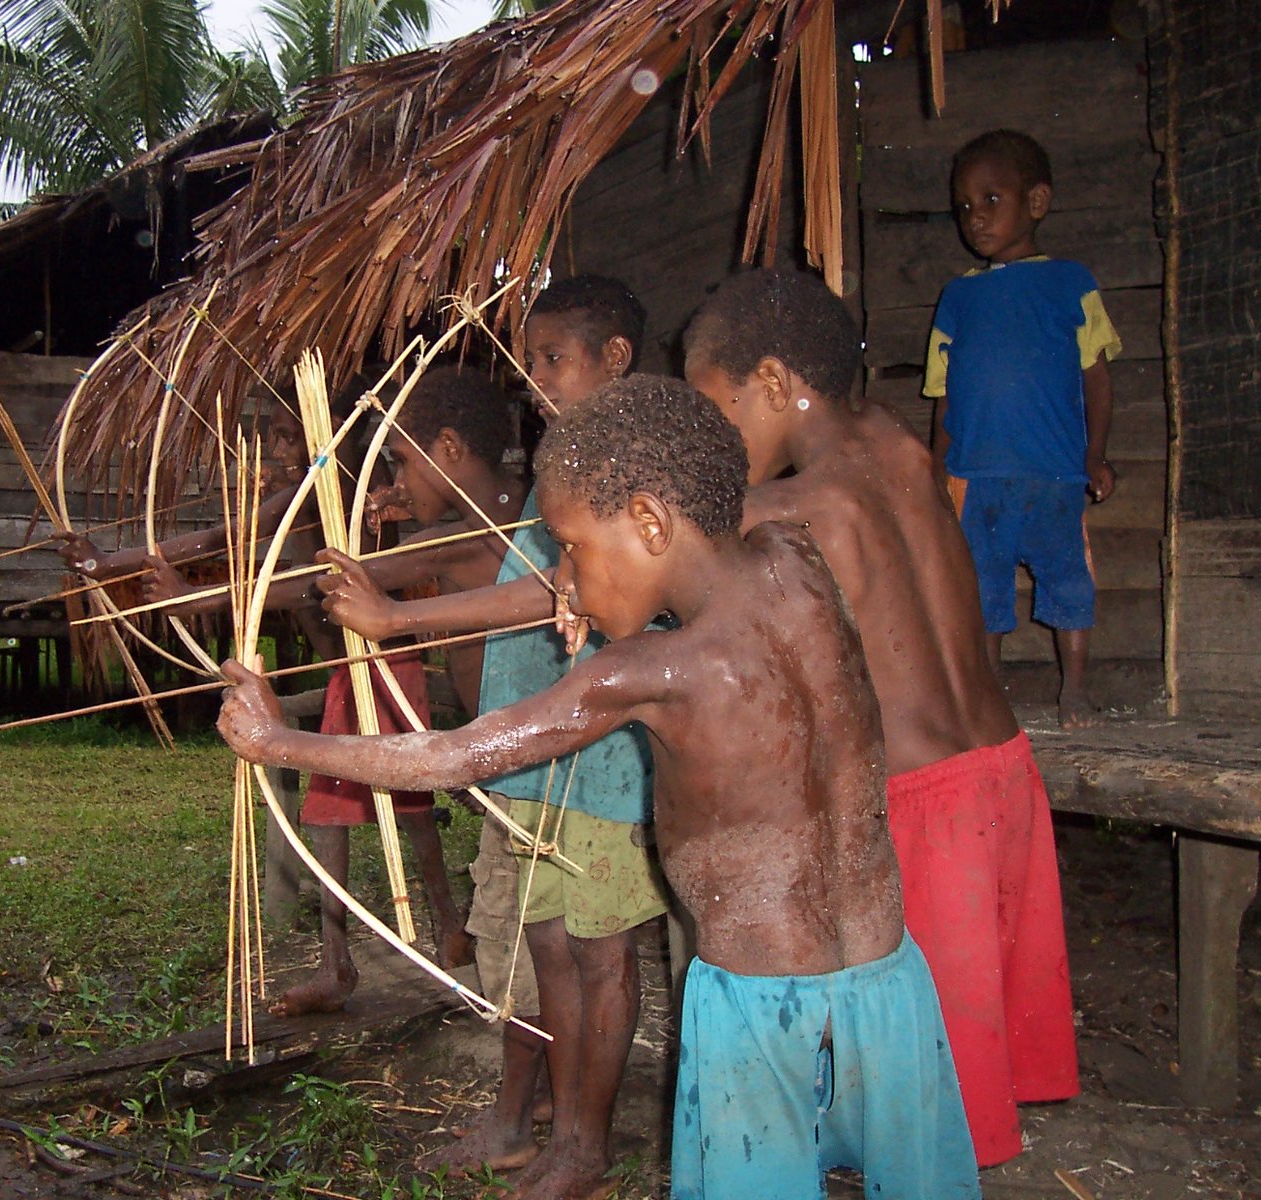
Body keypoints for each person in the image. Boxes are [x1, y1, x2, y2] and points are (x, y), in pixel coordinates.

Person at [219, 376, 981, 1200]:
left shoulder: (647, 673)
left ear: (648, 523)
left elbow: (456, 754)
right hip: (888, 981)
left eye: (573, 550)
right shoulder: (796, 558)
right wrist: (608, 590)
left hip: (761, 1004)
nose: (567, 579)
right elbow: (715, 570)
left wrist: (277, 741)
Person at [683, 266, 1078, 1167]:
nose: (715, 443)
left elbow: (657, 546)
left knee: (925, 1095)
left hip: (925, 810)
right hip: (1005, 774)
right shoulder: (897, 442)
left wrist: (399, 617)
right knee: (962, 1054)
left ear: (774, 383)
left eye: (718, 412)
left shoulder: (794, 508)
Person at [317, 276, 667, 1197]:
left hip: (606, 761)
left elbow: (560, 594)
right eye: (531, 360)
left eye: (552, 358)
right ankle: (559, 1133)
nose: (534, 378)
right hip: (538, 758)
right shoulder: (566, 465)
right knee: (547, 949)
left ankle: (583, 1144)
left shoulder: (636, 462)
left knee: (601, 953)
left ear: (616, 358)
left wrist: (395, 619)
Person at [62, 387, 474, 1017]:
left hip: (382, 662)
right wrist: (108, 563)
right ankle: (364, 955)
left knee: (403, 807)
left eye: (288, 436)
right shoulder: (309, 490)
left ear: (327, 432)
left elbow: (299, 578)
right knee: (354, 810)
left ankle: (422, 937)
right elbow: (225, 539)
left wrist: (190, 594)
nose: (279, 451)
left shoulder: (340, 484)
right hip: (349, 668)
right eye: (276, 437)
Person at [925, 128, 1122, 730]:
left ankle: (1074, 690)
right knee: (982, 588)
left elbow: (1097, 379)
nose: (975, 218)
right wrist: (934, 471)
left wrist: (1095, 455)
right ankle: (991, 698)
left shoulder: (1071, 283)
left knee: (1068, 580)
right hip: (977, 476)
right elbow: (944, 395)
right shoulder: (958, 297)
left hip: (1053, 473)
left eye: (991, 199)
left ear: (1036, 201)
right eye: (964, 206)